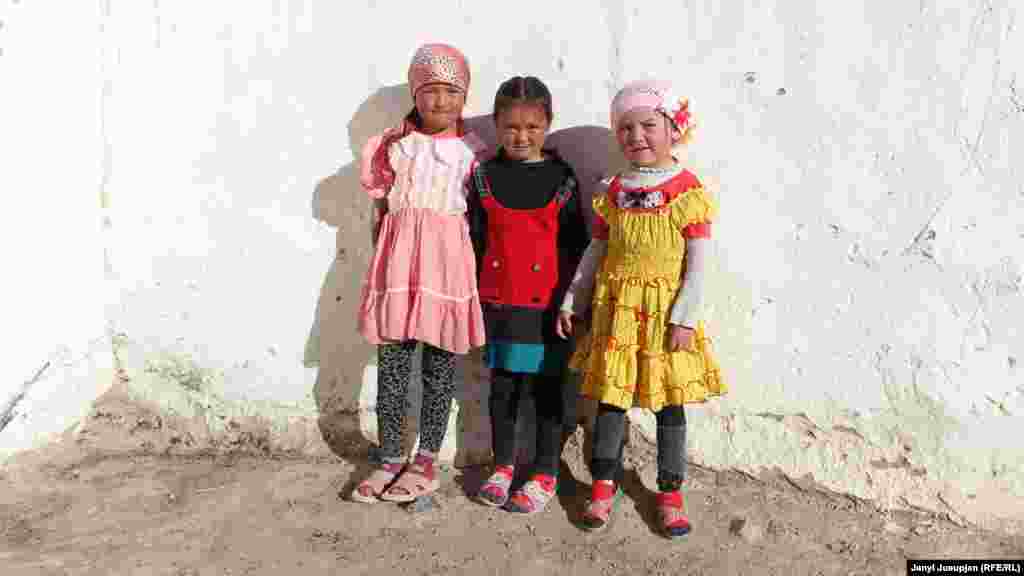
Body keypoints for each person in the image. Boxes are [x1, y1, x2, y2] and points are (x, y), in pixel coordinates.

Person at [557, 80, 727, 537]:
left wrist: (684, 318)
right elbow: (596, 251)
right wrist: (574, 298)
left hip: (665, 316)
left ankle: (669, 492)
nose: (637, 136)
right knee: (610, 402)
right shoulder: (614, 190)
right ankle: (603, 484)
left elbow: (699, 262)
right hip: (616, 314)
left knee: (669, 406)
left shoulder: (686, 189)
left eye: (649, 125)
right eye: (626, 128)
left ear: (674, 129)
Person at [350, 43, 487, 504]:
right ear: (416, 93)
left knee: (439, 368)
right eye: (430, 90)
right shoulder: (392, 146)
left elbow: (480, 217)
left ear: (464, 97)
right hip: (398, 267)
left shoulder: (474, 152)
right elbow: (378, 210)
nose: (441, 101)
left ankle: (425, 459)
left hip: (446, 271)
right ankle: (390, 456)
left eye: (452, 91)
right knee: (392, 364)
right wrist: (383, 262)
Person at [466, 76, 589, 514]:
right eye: (511, 127)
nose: (521, 136)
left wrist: (574, 303)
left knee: (547, 391)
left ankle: (544, 472)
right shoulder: (485, 177)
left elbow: (577, 243)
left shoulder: (562, 178)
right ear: (497, 126)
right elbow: (474, 243)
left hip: (550, 309)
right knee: (504, 390)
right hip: (500, 303)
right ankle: (503, 466)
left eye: (532, 127)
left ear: (548, 124)